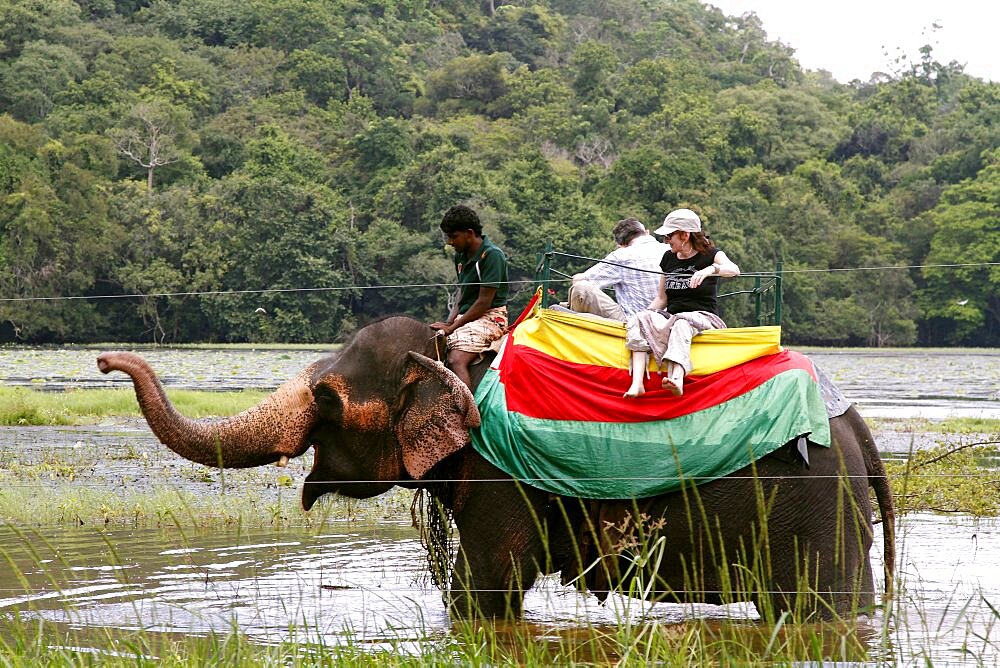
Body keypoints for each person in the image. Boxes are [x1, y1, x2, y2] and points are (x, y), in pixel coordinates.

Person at [623, 208, 740, 398]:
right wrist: (645, 316)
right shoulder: (668, 258)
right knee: (641, 318)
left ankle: (676, 379)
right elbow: (661, 298)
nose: (666, 241)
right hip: (672, 315)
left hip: (703, 317)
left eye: (670, 236)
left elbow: (734, 270)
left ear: (685, 235)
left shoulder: (710, 254)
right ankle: (637, 384)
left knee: (681, 322)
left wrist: (710, 270)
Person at [430, 204, 509, 388]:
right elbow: (462, 294)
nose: (450, 242)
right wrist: (448, 323)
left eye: (453, 236)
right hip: (468, 317)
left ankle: (467, 413)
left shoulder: (491, 256)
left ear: (469, 233)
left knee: (457, 359)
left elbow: (483, 302)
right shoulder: (461, 256)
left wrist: (452, 327)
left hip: (490, 317)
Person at [567, 217, 665, 320]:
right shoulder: (668, 249)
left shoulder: (622, 255)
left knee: (581, 288)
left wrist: (576, 278)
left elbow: (583, 281)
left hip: (634, 322)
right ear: (647, 232)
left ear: (620, 245)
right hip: (666, 320)